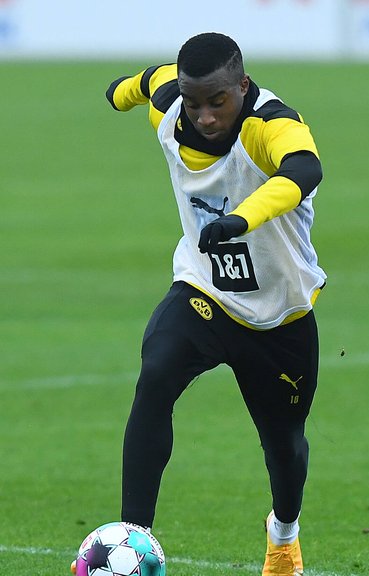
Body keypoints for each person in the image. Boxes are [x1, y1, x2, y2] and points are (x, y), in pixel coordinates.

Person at [84, 32, 326, 576]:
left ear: (241, 85)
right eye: (195, 103)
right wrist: (121, 92)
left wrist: (241, 219)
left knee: (284, 445)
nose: (206, 116)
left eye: (218, 101)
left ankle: (283, 533)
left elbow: (305, 171)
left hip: (279, 313)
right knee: (157, 373)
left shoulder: (273, 123)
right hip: (205, 291)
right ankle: (132, 536)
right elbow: (152, 80)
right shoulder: (174, 105)